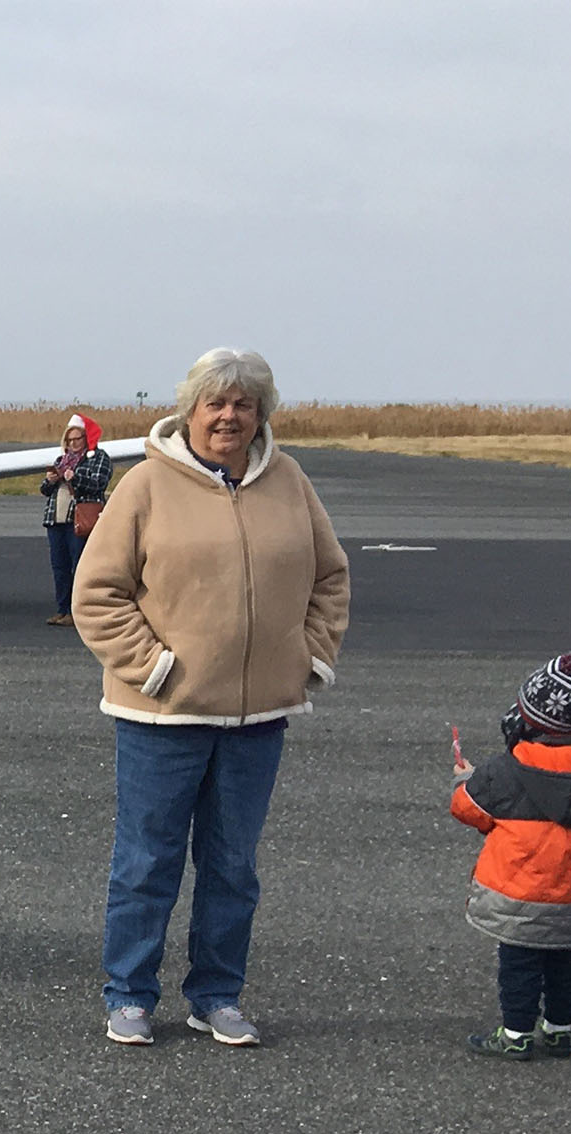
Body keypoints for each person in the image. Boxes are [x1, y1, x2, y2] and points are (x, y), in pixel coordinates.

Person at [73, 347, 349, 1047]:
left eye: (244, 404)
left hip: (257, 718)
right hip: (161, 716)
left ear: (262, 414)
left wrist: (310, 658)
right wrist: (156, 667)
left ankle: (217, 995)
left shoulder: (289, 482)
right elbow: (97, 595)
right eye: (215, 404)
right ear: (190, 410)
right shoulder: (145, 487)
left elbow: (330, 577)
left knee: (232, 866)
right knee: (146, 862)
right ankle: (130, 994)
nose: (229, 416)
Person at [450, 650, 571, 1059]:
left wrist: (466, 779)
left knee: (519, 965)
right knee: (565, 964)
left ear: (530, 716)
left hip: (517, 891)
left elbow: (468, 809)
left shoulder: (509, 768)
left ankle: (516, 1033)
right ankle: (559, 1030)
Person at [37, 412, 112, 626]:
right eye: (69, 440)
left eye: (77, 439)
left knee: (79, 566)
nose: (72, 443)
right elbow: (44, 490)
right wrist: (50, 480)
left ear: (86, 438)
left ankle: (79, 611)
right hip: (56, 520)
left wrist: (75, 477)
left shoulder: (99, 458)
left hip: (80, 521)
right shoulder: (61, 461)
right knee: (59, 567)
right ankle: (62, 609)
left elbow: (100, 483)